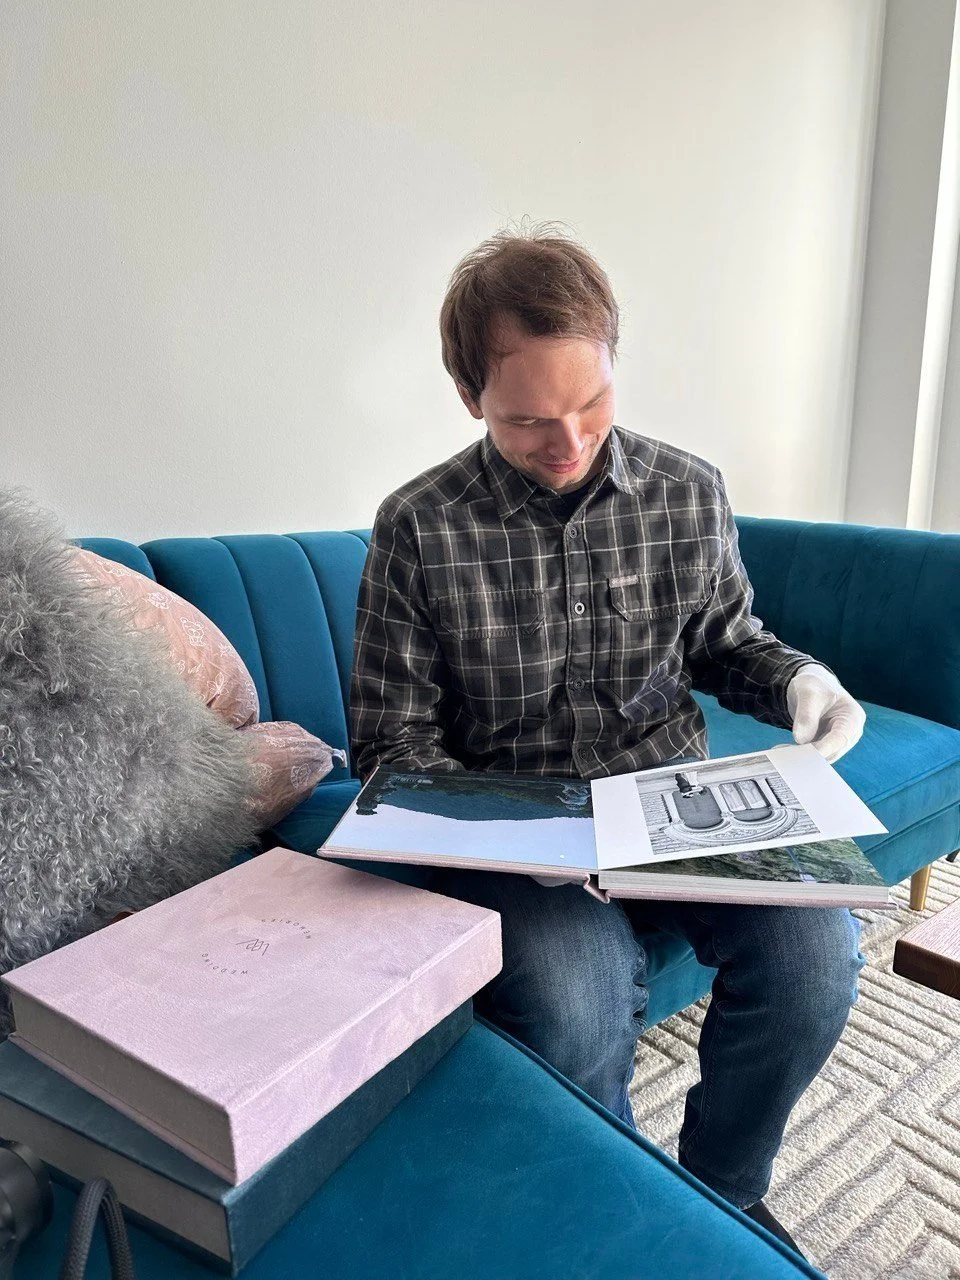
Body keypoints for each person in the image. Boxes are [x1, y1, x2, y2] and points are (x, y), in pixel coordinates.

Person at [350, 225, 866, 1256]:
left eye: (591, 403)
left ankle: (718, 1194)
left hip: (669, 802)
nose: (571, 440)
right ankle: (619, 1221)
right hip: (519, 842)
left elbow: (727, 642)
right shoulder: (416, 527)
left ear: (613, 361)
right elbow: (392, 751)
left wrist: (802, 680)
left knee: (821, 955)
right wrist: (523, 840)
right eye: (531, 419)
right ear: (471, 399)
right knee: (577, 1008)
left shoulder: (688, 489)